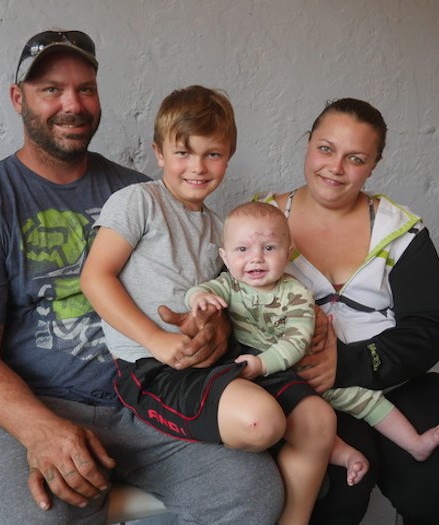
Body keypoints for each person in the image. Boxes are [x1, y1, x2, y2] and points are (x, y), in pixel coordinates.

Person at [0, 30, 285, 525]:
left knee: (252, 490)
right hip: (39, 407)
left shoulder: (146, 193)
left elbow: (208, 294)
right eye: (51, 89)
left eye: (86, 89)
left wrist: (212, 331)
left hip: (151, 397)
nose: (72, 104)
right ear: (18, 99)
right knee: (36, 515)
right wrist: (40, 431)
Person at [81, 85, 335, 525]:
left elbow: (238, 297)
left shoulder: (224, 230)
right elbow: (94, 277)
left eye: (212, 154)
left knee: (317, 419)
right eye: (183, 153)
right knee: (263, 423)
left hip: (215, 363)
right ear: (158, 153)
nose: (197, 168)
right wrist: (158, 341)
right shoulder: (139, 202)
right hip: (150, 366)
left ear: (229, 155)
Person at [256, 97, 439, 524]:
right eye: (326, 149)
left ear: (374, 165)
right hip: (298, 386)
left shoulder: (400, 230)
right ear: (308, 144)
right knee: (337, 494)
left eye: (356, 158)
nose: (335, 167)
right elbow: (236, 309)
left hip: (394, 376)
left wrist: (348, 363)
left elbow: (431, 326)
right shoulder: (261, 221)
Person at [186, 201, 439, 487]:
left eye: (269, 248)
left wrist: (262, 364)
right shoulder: (229, 285)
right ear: (225, 256)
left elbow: (296, 342)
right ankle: (346, 455)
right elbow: (203, 290)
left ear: (288, 253)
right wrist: (198, 299)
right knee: (303, 419)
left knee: (362, 399)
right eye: (242, 250)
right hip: (270, 379)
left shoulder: (296, 293)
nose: (256, 259)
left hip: (304, 369)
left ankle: (414, 443)